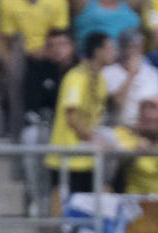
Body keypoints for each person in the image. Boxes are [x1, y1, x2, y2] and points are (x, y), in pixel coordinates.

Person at [46, 30, 116, 195]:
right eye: (110, 48)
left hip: (88, 158)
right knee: (63, 211)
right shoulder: (76, 77)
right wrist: (94, 138)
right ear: (98, 52)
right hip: (66, 156)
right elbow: (72, 117)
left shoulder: (101, 81)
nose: (114, 52)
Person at [104, 29, 158, 127]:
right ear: (122, 49)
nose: (137, 52)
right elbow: (115, 106)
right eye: (133, 47)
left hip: (149, 127)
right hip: (121, 128)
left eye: (140, 47)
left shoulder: (153, 73)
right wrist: (131, 75)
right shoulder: (108, 73)